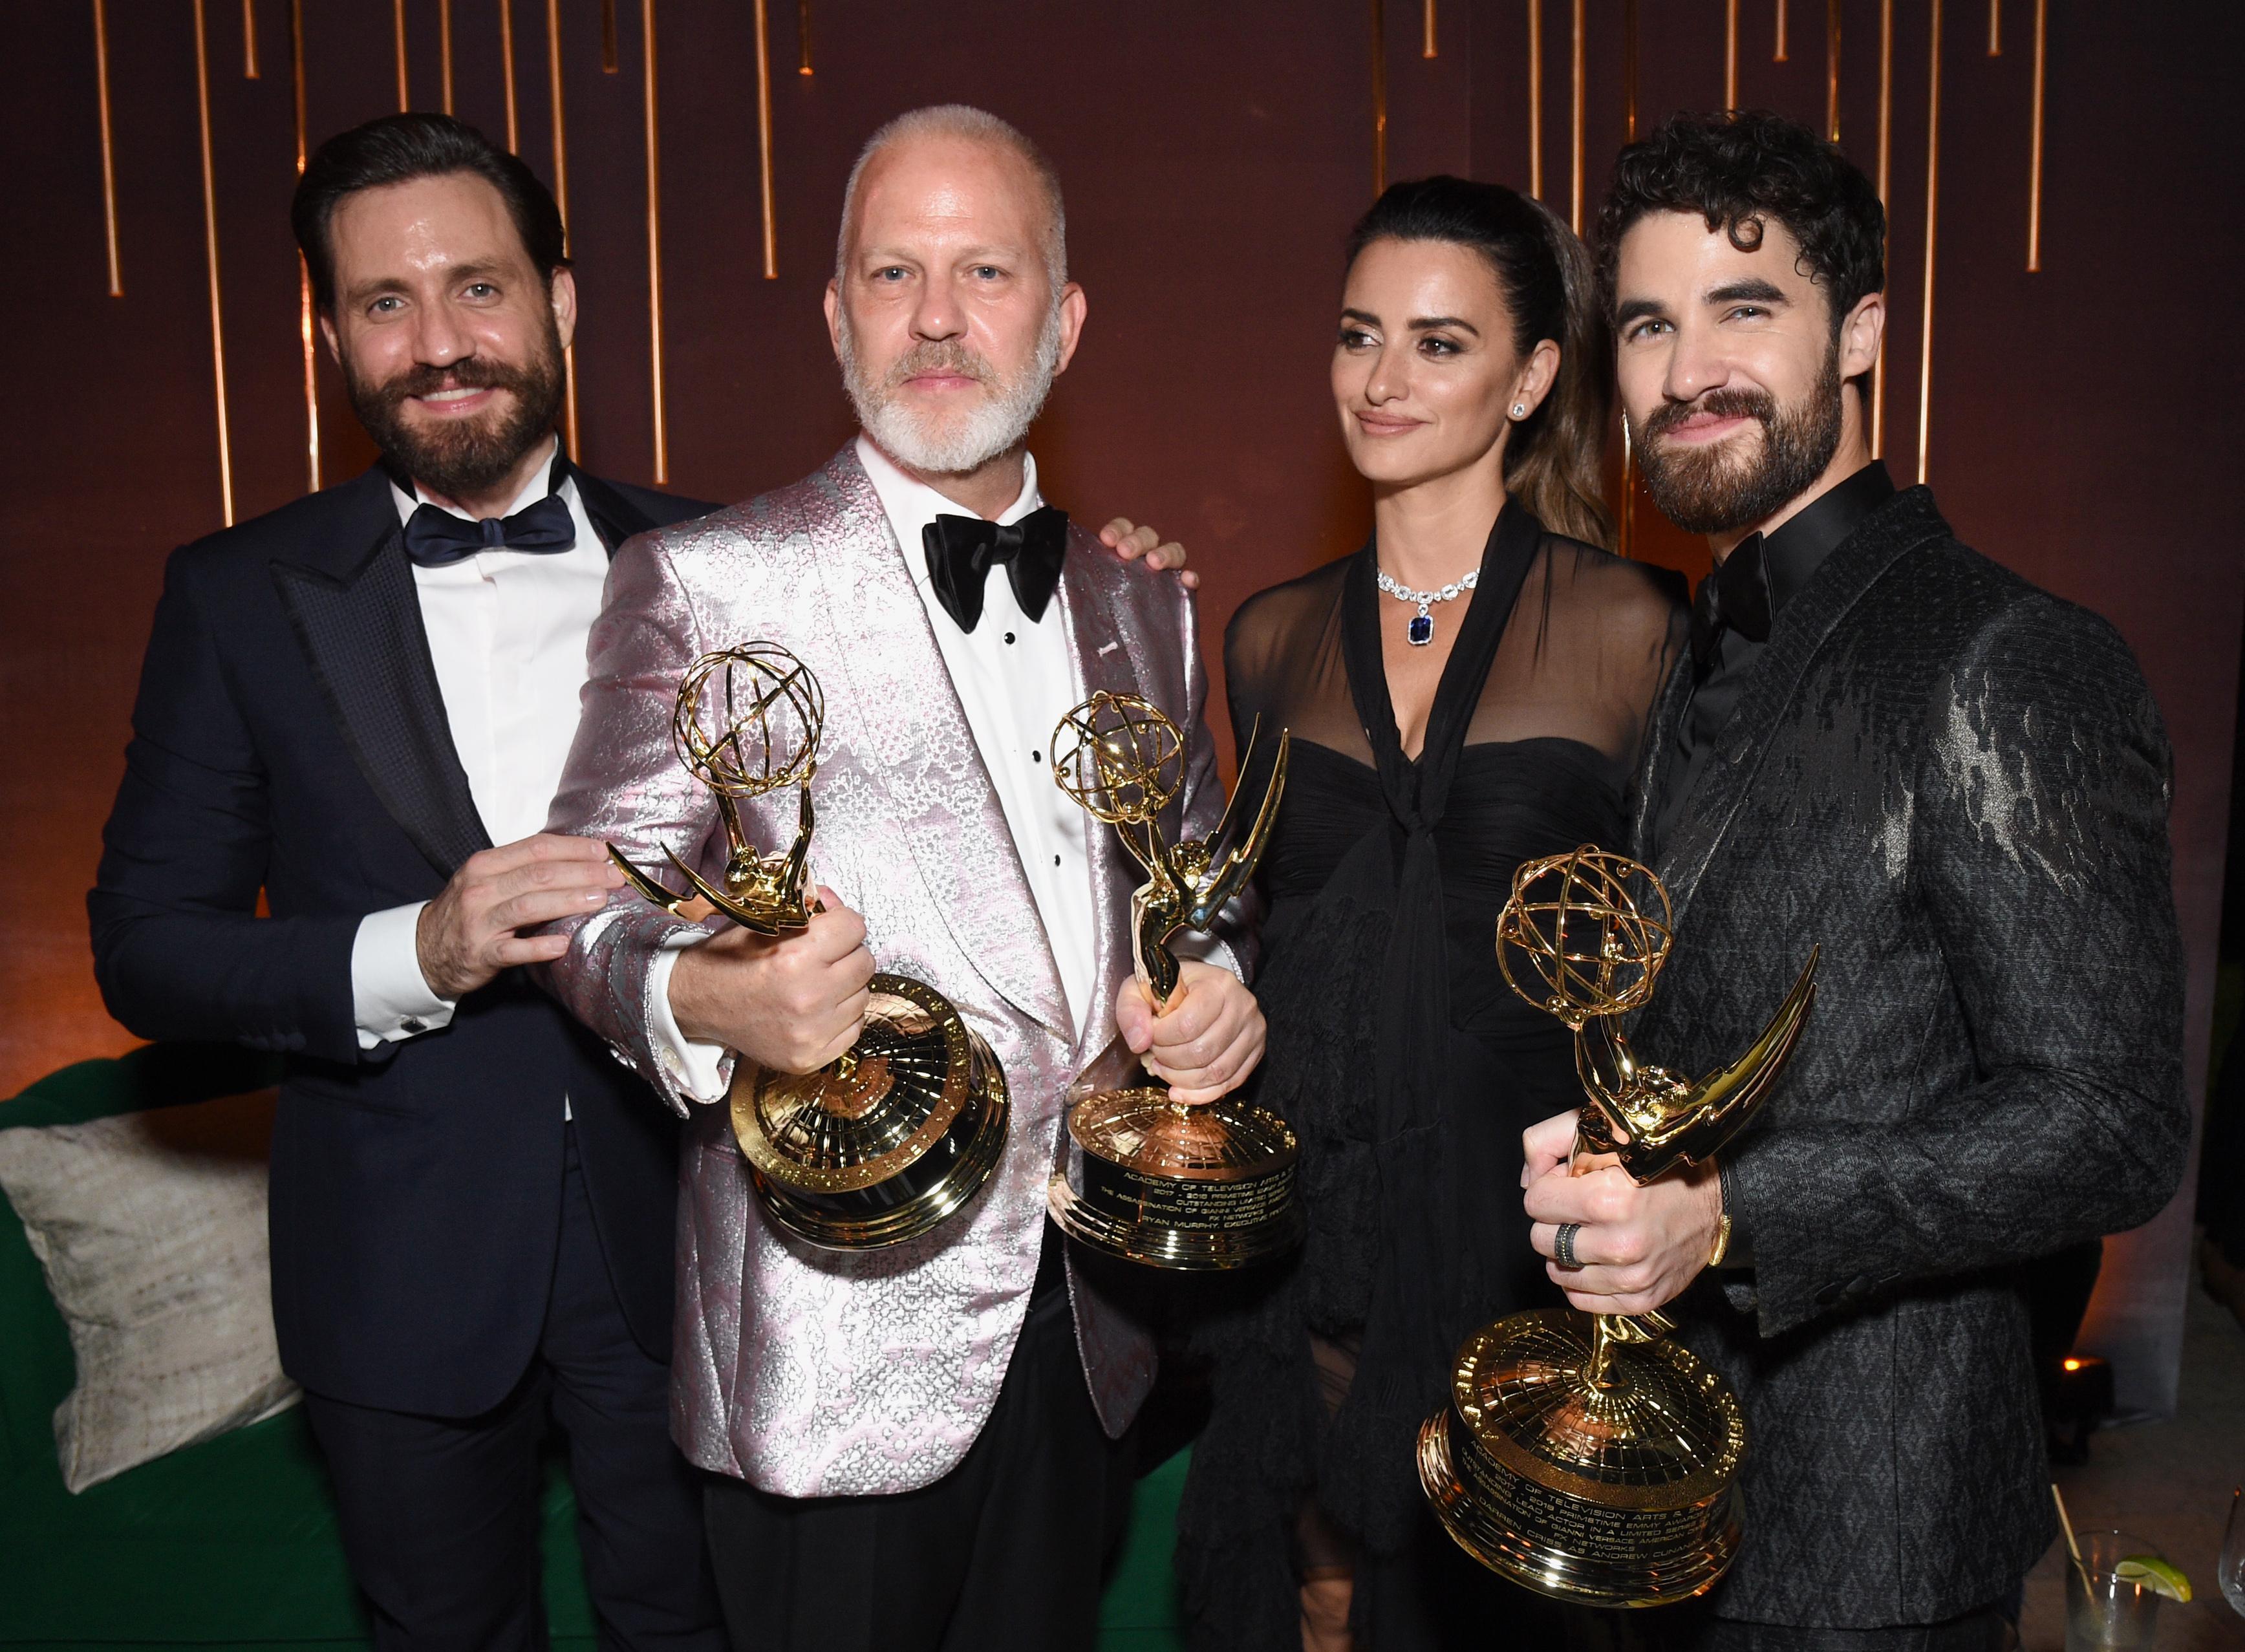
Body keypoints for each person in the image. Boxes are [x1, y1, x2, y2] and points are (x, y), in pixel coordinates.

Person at [85, 110, 1194, 1651]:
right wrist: (424, 946)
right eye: (383, 304)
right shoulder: (233, 596)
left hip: (684, 1247)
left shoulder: (707, 551)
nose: (438, 342)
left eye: (476, 288)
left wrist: (1114, 586)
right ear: (326, 332)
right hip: (408, 1264)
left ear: (560, 299)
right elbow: (147, 949)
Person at [539, 105, 1263, 1652]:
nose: (938, 316)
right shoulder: (702, 582)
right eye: (893, 272)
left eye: (986, 271)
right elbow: (587, 920)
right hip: (829, 1339)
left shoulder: (1146, 601)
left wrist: (1219, 990)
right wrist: (711, 994)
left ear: (1062, 324)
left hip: (1086, 1326)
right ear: (836, 314)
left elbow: (1196, 885)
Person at [1521, 110, 2189, 1650]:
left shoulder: (2009, 656)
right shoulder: (1693, 639)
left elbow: (2111, 1122)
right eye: (1647, 324)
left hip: (1871, 1549)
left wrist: (1732, 1211)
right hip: (1665, 1495)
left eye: (1743, 311)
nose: (1687, 371)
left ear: (1864, 332)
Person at [1176, 177, 1684, 1652]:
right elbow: (1244, 920)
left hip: (1529, 1237)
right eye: (1358, 336)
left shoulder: (1631, 627)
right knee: (1322, 1599)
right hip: (1322, 1225)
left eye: (1440, 344)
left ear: (1532, 378)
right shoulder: (1266, 637)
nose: (1383, 381)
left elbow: (1672, 961)